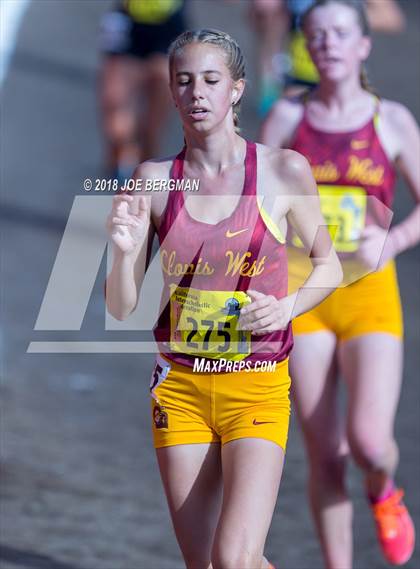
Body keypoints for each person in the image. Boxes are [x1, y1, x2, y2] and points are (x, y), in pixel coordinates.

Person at [105, 28, 342, 569]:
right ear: (170, 91)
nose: (197, 93)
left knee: (235, 557)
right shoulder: (153, 180)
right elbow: (121, 307)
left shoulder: (283, 171)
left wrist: (286, 308)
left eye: (211, 80)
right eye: (184, 81)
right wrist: (122, 254)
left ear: (236, 89)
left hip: (256, 387)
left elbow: (329, 264)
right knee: (205, 564)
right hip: (181, 390)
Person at [260, 1, 419, 567]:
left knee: (370, 442)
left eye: (340, 33)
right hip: (304, 294)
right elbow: (259, 207)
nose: (327, 43)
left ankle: (382, 488)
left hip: (369, 291)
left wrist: (393, 241)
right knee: (325, 453)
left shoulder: (391, 121)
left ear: (362, 46)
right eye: (316, 34)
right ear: (306, 45)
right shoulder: (285, 119)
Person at [99, 0, 187, 182]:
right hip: (127, 24)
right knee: (114, 109)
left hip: (168, 29)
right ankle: (119, 161)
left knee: (151, 130)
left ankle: (144, 177)